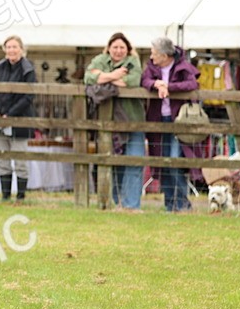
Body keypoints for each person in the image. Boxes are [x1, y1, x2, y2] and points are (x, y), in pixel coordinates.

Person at [84, 32, 145, 209]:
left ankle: (131, 205)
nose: (118, 51)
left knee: (134, 160)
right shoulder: (100, 59)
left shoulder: (133, 61)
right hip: (107, 121)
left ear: (127, 49)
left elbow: (133, 81)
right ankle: (114, 202)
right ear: (109, 48)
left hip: (133, 119)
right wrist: (116, 75)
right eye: (115, 47)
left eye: (122, 47)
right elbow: (88, 77)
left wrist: (104, 77)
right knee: (112, 161)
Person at [141, 37, 199, 212]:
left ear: (165, 55)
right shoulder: (152, 68)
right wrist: (156, 84)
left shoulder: (183, 66)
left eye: (154, 53)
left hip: (177, 120)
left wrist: (169, 86)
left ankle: (182, 204)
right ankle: (170, 204)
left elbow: (192, 83)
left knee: (174, 161)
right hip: (158, 121)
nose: (152, 57)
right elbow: (144, 81)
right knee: (163, 163)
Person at [0, 35, 37, 201]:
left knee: (20, 160)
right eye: (8, 47)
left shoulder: (28, 69)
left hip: (19, 121)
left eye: (15, 47)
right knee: (2, 159)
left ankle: (21, 196)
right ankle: (5, 196)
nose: (11, 50)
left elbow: (27, 97)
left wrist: (10, 114)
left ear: (21, 49)